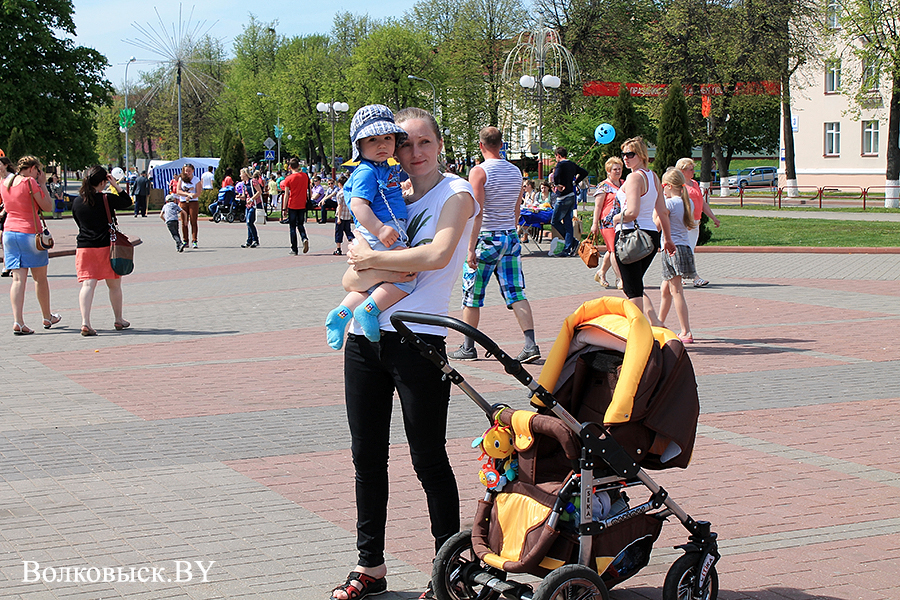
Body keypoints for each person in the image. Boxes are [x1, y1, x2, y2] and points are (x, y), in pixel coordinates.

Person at [329, 106, 478, 600]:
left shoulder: (454, 193)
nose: (413, 153)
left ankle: (451, 569)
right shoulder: (387, 196)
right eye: (404, 143)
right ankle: (369, 565)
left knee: (428, 457)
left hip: (419, 341)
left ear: (439, 145)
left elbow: (436, 255)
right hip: (364, 340)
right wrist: (371, 264)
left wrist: (372, 260)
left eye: (423, 143)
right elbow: (350, 278)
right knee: (366, 457)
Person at [448, 126, 541, 364]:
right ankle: (530, 344)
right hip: (509, 236)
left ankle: (468, 346)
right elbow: (517, 208)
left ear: (481, 145)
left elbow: (476, 213)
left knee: (472, 294)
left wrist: (470, 248)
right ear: (502, 144)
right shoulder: (515, 171)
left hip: (486, 238)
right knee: (516, 292)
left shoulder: (479, 172)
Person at [324, 104, 415, 349]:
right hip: (381, 232)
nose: (382, 144)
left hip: (383, 230)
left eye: (388, 138)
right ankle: (368, 311)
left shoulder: (383, 168)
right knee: (405, 279)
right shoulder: (366, 172)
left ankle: (342, 313)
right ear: (359, 145)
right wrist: (380, 229)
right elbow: (358, 205)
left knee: (373, 284)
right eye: (372, 139)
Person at [613, 137, 676, 326]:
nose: (625, 158)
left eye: (630, 154)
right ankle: (654, 322)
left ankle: (637, 331)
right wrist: (667, 238)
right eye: (623, 154)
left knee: (631, 288)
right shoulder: (653, 177)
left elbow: (632, 212)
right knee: (635, 284)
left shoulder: (634, 177)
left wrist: (613, 218)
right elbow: (662, 211)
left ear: (641, 155)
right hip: (650, 236)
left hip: (630, 236)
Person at [0, 156, 60, 334]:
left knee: (17, 279)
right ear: (33, 168)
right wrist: (42, 184)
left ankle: (18, 321)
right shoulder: (29, 183)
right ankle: (47, 316)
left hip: (9, 233)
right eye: (38, 171)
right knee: (40, 279)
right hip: (30, 233)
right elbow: (47, 206)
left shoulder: (5, 182)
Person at [73, 166, 133, 336]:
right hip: (107, 247)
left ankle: (85, 322)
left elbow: (79, 222)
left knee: (88, 284)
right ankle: (118, 319)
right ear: (102, 182)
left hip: (85, 247)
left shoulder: (77, 201)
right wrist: (117, 186)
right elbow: (127, 202)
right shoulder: (107, 198)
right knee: (114, 285)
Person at [656, 168, 697, 343]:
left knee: (676, 290)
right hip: (684, 247)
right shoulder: (687, 203)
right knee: (665, 289)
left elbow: (656, 225)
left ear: (669, 186)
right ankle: (659, 323)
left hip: (672, 248)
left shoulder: (670, 204)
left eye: (663, 185)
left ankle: (685, 331)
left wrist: (657, 207)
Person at [675, 158, 721, 288]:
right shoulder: (679, 185)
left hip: (695, 221)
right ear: (682, 171)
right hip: (684, 221)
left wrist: (713, 217)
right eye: (691, 169)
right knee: (686, 250)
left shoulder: (694, 183)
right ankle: (694, 277)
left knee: (689, 249)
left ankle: (681, 275)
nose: (693, 171)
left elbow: (702, 202)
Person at [590, 156, 624, 289]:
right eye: (614, 169)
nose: (617, 171)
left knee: (611, 250)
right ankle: (620, 278)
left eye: (619, 169)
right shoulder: (603, 186)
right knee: (614, 250)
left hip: (621, 221)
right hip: (607, 223)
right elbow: (598, 206)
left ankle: (601, 273)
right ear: (608, 171)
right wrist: (594, 224)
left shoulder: (623, 183)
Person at [550, 146, 588, 256]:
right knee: (567, 222)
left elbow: (556, 176)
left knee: (555, 221)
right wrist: (575, 182)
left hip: (563, 197)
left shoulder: (560, 165)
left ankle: (572, 242)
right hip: (572, 195)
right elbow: (584, 172)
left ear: (558, 155)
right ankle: (568, 248)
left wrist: (557, 185)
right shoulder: (572, 164)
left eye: (556, 157)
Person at [281, 158, 312, 255]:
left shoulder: (288, 179)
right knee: (301, 224)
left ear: (289, 167)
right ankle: (304, 238)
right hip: (302, 204)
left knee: (292, 227)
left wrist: (284, 208)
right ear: (298, 166)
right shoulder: (305, 176)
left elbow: (286, 194)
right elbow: (309, 190)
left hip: (292, 204)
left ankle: (294, 248)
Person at [175, 164, 201, 248]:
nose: (187, 173)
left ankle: (194, 240)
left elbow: (198, 193)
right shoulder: (181, 179)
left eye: (189, 171)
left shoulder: (196, 180)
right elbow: (178, 191)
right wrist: (187, 194)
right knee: (184, 222)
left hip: (193, 202)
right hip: (183, 202)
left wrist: (191, 196)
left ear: (193, 171)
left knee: (193, 221)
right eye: (186, 171)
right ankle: (185, 240)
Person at [331, 175, 354, 255]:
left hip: (340, 215)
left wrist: (339, 218)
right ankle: (354, 244)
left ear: (339, 184)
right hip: (347, 215)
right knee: (348, 231)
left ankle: (338, 248)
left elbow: (340, 206)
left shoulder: (340, 194)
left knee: (338, 232)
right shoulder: (350, 193)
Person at [239, 169, 261, 248]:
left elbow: (259, 191)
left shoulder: (253, 181)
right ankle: (249, 241)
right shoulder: (244, 184)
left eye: (241, 174)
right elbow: (245, 196)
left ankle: (255, 240)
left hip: (254, 205)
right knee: (248, 223)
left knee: (249, 222)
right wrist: (240, 197)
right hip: (248, 206)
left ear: (245, 174)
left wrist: (251, 199)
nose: (240, 176)